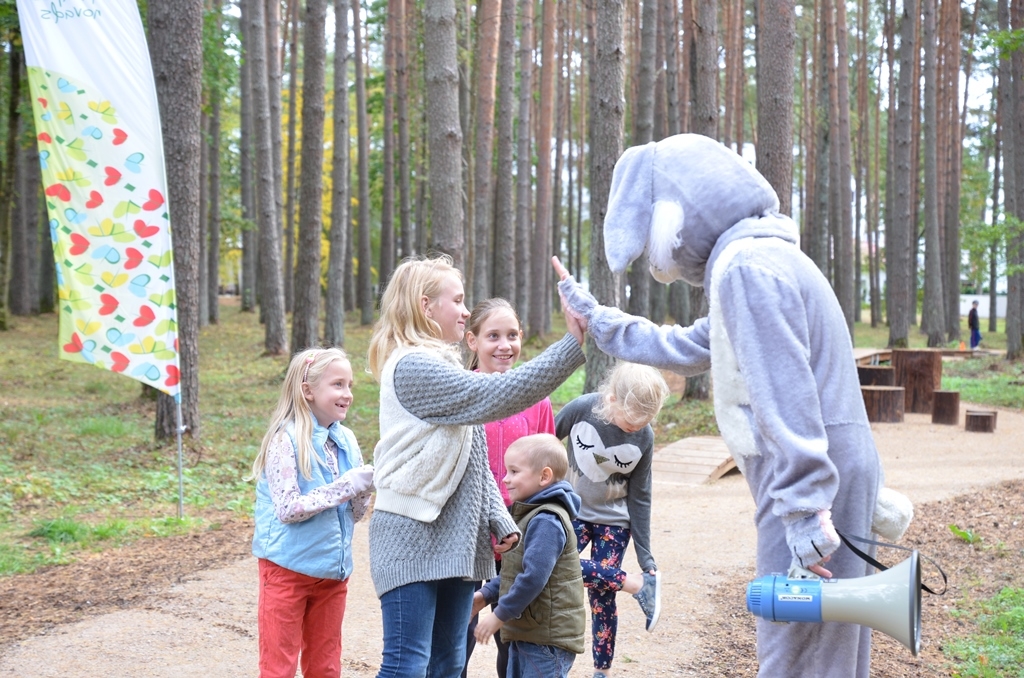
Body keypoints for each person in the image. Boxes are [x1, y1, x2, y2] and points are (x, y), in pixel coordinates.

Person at [553, 133, 913, 678]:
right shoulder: (761, 259)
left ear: (678, 213)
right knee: (825, 652)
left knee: (795, 649)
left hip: (807, 484)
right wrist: (598, 318)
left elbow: (785, 396)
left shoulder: (747, 268)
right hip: (825, 474)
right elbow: (692, 345)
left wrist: (803, 510)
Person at [367, 255, 587, 678]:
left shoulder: (443, 364)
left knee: (449, 663)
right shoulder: (413, 366)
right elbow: (500, 392)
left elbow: (472, 459)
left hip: (457, 538)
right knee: (406, 666)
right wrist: (573, 341)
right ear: (426, 306)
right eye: (459, 300)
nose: (466, 311)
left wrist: (500, 520)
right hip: (411, 536)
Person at [250, 347, 375, 678]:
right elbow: (288, 508)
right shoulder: (284, 440)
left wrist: (366, 486)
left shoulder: (345, 439)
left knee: (326, 665)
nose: (347, 394)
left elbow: (355, 513)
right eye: (337, 385)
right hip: (285, 571)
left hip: (332, 574)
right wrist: (348, 485)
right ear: (308, 390)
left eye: (349, 385)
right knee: (279, 666)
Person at [555, 361, 670, 678]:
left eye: (643, 422)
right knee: (554, 563)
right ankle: (634, 585)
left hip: (614, 522)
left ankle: (601, 671)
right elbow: (546, 442)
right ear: (612, 400)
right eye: (630, 421)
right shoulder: (582, 409)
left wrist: (645, 554)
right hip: (573, 510)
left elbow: (640, 494)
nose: (635, 429)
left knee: (600, 596)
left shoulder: (644, 436)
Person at [461, 298, 557, 678]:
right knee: (460, 629)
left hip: (517, 532)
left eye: (512, 335)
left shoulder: (536, 399)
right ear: (472, 341)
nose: (505, 345)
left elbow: (550, 470)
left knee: (512, 633)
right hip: (467, 530)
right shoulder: (459, 392)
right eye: (493, 336)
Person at [471, 433, 586, 678]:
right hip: (529, 633)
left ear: (544, 476)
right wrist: (485, 595)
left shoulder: (547, 521)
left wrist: (498, 615)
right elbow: (518, 573)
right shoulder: (530, 515)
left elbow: (533, 578)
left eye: (514, 471)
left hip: (545, 640)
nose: (505, 479)